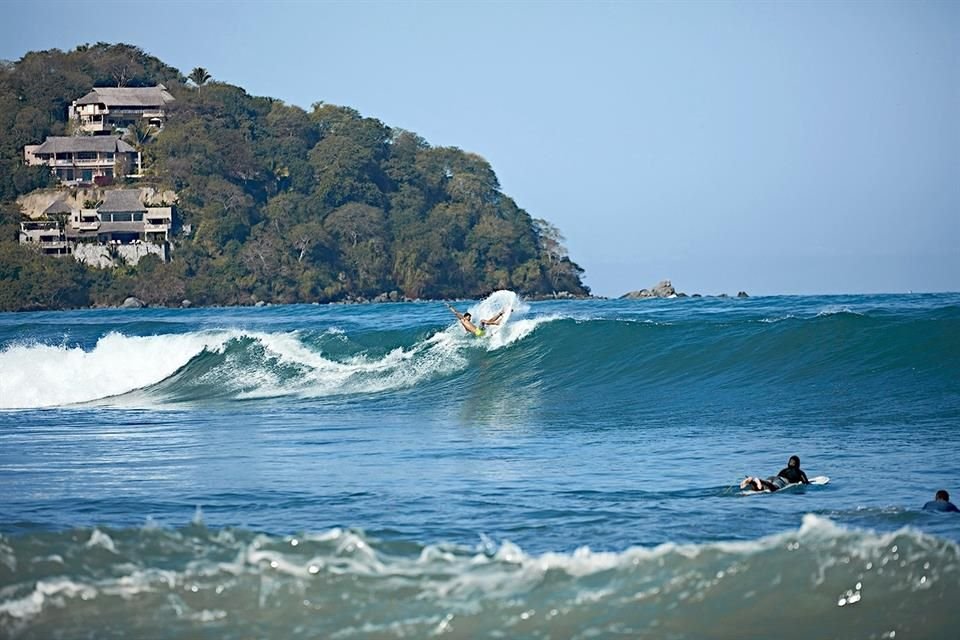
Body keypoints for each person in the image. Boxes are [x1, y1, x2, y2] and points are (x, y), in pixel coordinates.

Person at [741, 455, 810, 492]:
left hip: (773, 477)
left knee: (761, 488)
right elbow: (806, 483)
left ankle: (752, 481)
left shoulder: (784, 470)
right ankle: (760, 480)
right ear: (798, 464)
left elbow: (777, 477)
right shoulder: (799, 472)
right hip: (782, 480)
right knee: (774, 488)